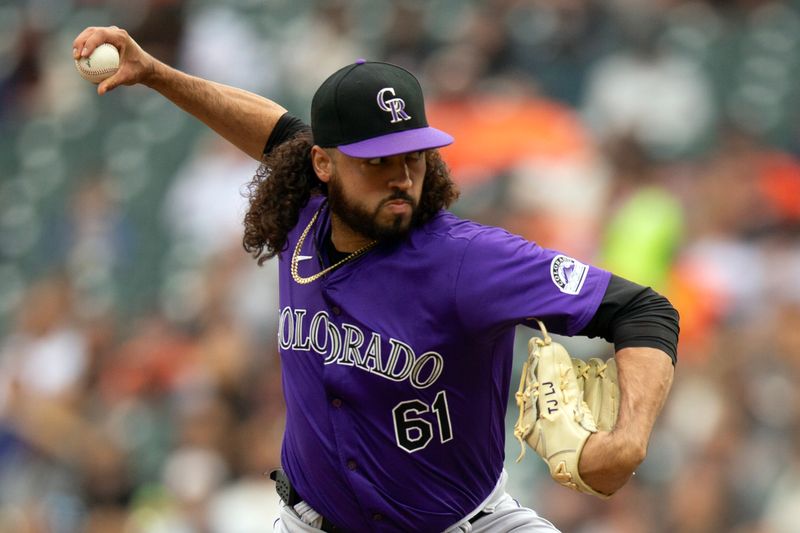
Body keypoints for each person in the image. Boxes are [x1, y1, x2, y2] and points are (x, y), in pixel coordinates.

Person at [72, 26, 678, 533]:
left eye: (412, 155)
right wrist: (154, 73)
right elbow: (273, 130)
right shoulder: (302, 209)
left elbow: (644, 310)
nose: (401, 177)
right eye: (377, 160)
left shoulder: (468, 260)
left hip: (465, 523)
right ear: (323, 164)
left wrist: (627, 440)